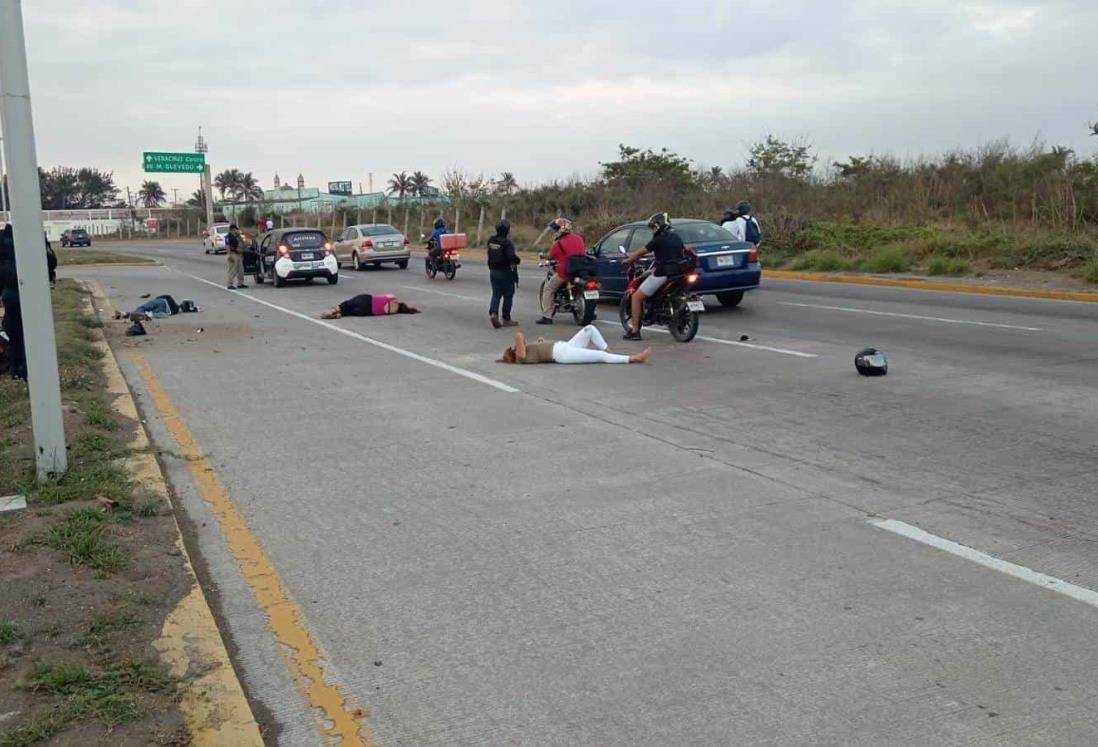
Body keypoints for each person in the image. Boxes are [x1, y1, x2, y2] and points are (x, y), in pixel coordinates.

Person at [622, 212, 685, 341]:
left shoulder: (658, 240)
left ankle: (634, 331)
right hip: (679, 272)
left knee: (636, 297)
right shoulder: (676, 237)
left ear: (658, 226)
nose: (652, 230)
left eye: (652, 227)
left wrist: (628, 260)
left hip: (663, 274)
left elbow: (641, 252)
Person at [499, 326, 651, 365]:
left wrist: (540, 342)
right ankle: (634, 359)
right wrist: (515, 346)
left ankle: (610, 351)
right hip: (562, 354)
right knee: (600, 357)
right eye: (514, 348)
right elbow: (519, 336)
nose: (516, 346)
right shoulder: (521, 357)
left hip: (565, 345)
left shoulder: (525, 352)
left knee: (589, 329)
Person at [536, 216, 585, 325]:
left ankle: (547, 316)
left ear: (560, 230)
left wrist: (543, 256)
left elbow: (550, 256)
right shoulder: (579, 238)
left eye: (556, 229)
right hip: (581, 270)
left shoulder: (559, 243)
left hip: (565, 272)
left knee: (549, 288)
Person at [0, 225, 26, 380]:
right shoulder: (28, 242)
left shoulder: (3, 246)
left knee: (13, 334)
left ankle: (16, 369)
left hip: (9, 295)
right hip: (30, 295)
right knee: (28, 334)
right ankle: (25, 367)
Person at [486, 219, 520, 328]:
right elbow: (511, 257)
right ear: (507, 230)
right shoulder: (507, 243)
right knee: (508, 295)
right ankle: (506, 319)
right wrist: (517, 260)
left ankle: (493, 313)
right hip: (505, 272)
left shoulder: (491, 241)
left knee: (496, 294)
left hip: (493, 271)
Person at [320, 293, 421, 319]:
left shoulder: (393, 298)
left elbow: (379, 296)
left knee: (348, 303)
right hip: (367, 312)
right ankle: (339, 314)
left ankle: (334, 310)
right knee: (350, 311)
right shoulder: (393, 312)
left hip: (368, 300)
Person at [225, 224, 247, 290]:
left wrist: (239, 235)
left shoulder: (237, 236)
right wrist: (229, 254)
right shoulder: (228, 236)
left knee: (241, 270)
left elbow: (243, 243)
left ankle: (240, 283)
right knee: (232, 270)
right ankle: (230, 284)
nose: (237, 231)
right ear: (233, 229)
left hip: (239, 254)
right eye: (236, 229)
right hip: (232, 254)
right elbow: (227, 245)